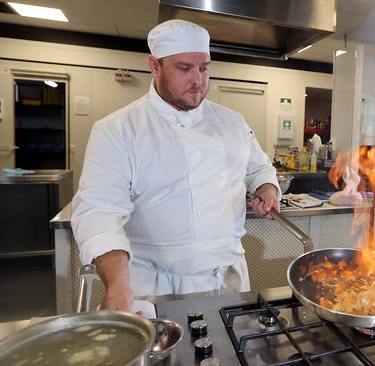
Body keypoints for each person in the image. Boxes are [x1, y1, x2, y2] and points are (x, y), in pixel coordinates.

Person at [71, 19, 280, 311]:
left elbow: (259, 169)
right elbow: (98, 211)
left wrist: (266, 188)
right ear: (154, 66)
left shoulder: (232, 122)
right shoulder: (118, 130)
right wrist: (118, 285)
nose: (198, 80)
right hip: (156, 290)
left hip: (228, 284)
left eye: (204, 68)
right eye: (184, 68)